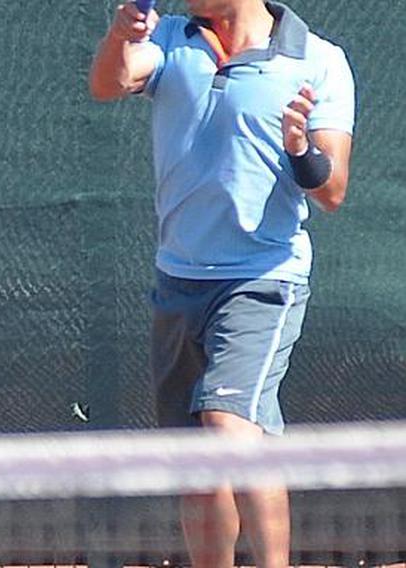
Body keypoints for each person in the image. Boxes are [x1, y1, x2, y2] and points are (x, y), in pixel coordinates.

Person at [88, 1, 355, 566]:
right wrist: (118, 35)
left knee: (230, 428)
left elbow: (332, 192)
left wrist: (300, 149)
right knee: (200, 471)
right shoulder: (171, 41)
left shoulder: (319, 60)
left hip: (263, 280)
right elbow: (108, 85)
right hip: (177, 280)